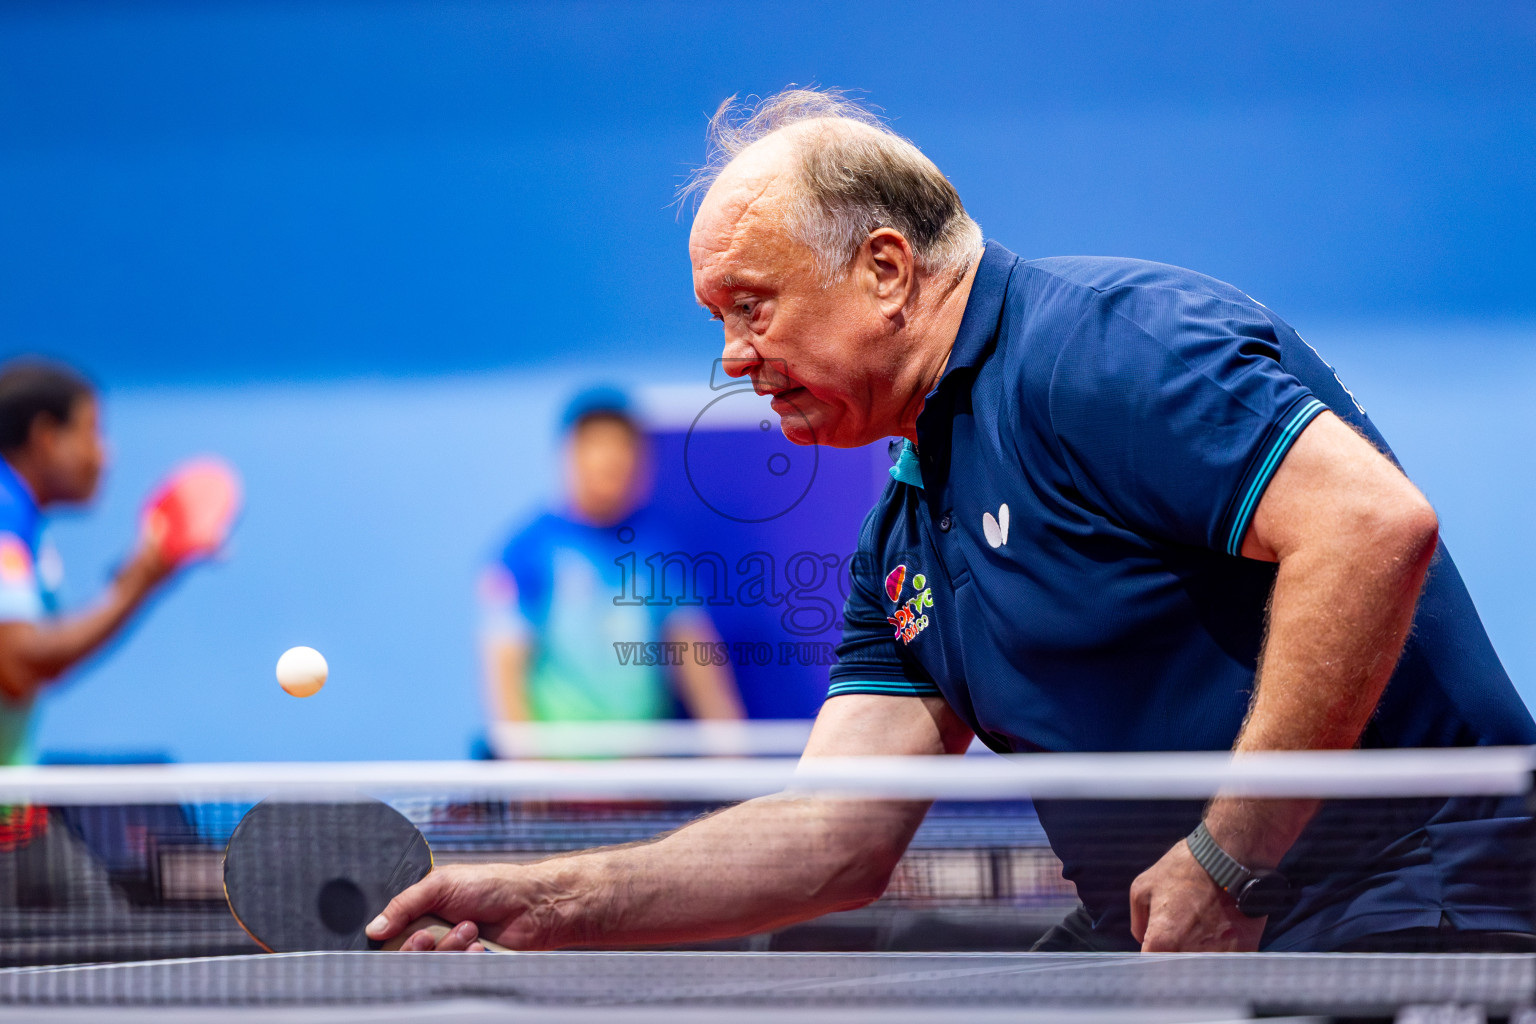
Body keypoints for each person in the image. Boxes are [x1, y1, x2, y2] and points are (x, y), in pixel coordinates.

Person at [369, 89, 1536, 954]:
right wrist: (544, 899)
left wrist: (1230, 851)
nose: (730, 356)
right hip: (1187, 930)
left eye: (751, 304)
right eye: (717, 318)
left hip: (1413, 899)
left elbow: (1372, 526)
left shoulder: (1104, 345)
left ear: (885, 268)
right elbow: (833, 838)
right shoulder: (905, 533)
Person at [478, 387, 742, 741]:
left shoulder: (658, 550)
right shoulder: (528, 550)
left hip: (643, 769)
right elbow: (505, 667)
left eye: (624, 454)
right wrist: (527, 766)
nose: (612, 465)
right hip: (557, 773)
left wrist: (730, 742)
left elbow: (694, 650)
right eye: (599, 451)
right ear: (571, 455)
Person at [0, 359, 194, 766]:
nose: (105, 454)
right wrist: (141, 583)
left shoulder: (22, 523)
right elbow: (16, 664)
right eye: (92, 432)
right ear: (47, 436)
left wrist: (140, 573)